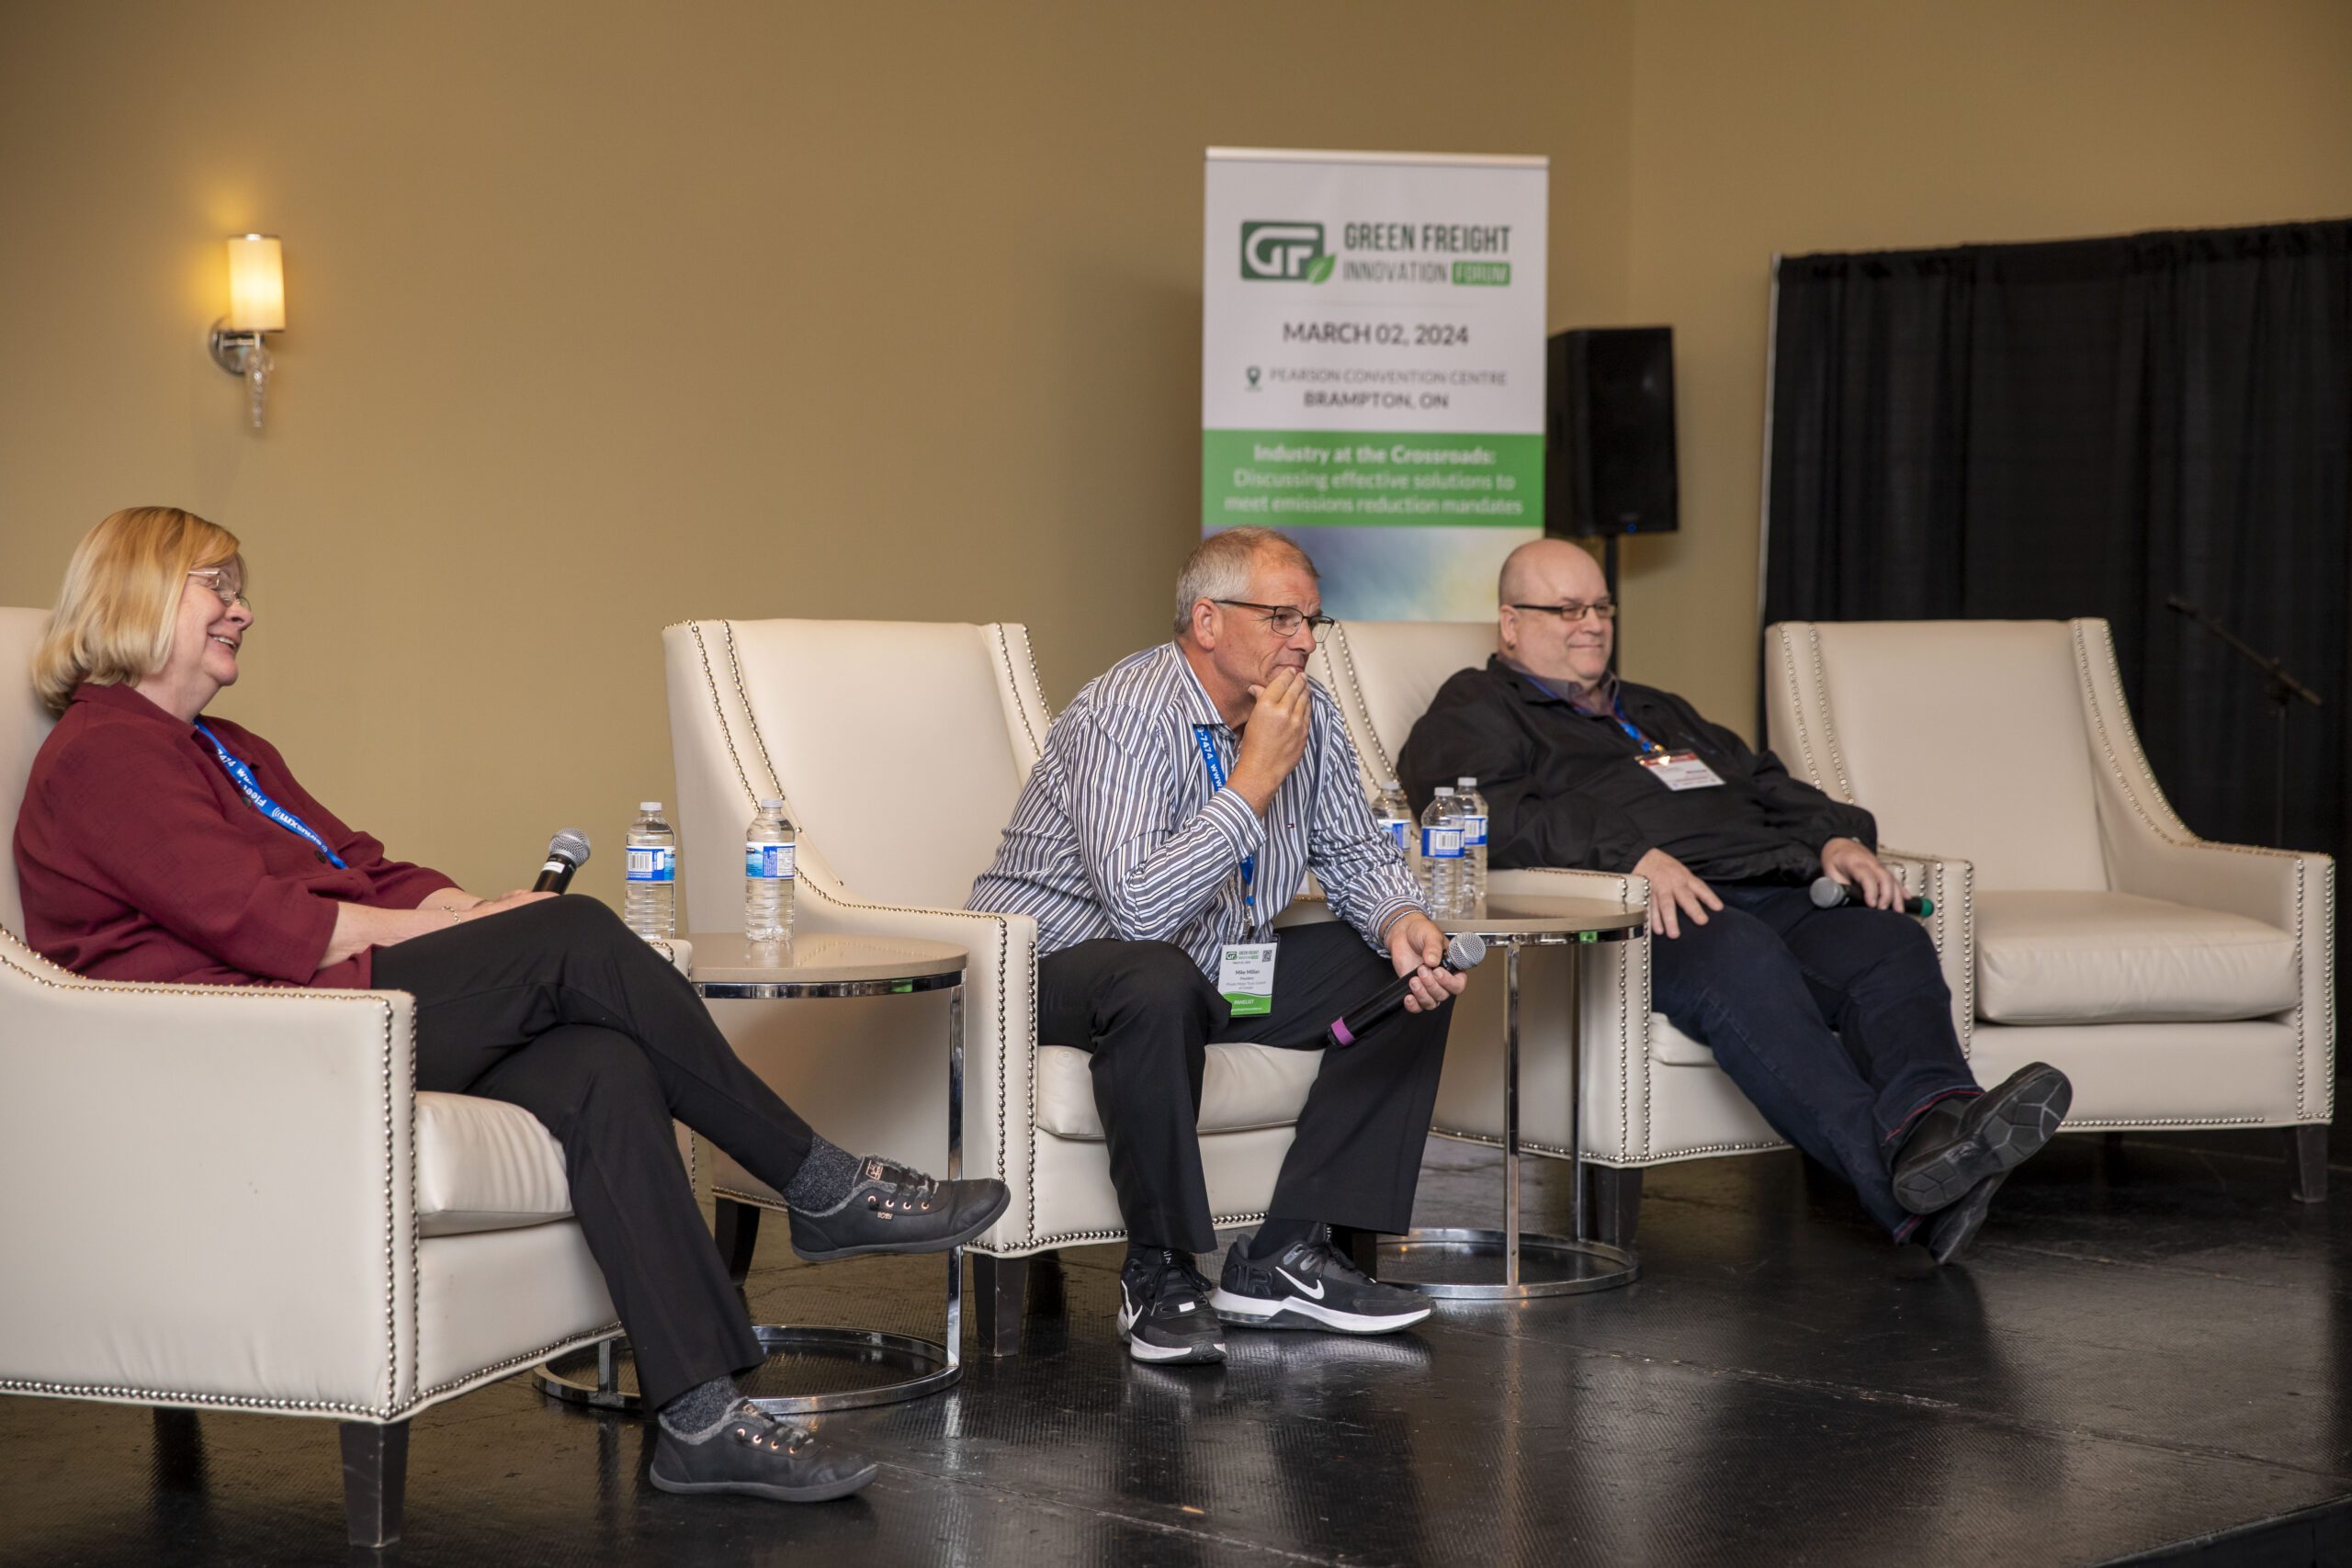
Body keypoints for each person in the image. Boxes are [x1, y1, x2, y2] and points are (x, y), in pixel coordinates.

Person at [14, 507, 1011, 1504]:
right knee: (573, 938)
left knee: (603, 1066)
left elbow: (364, 868)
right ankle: (822, 1183)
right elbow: (267, 922)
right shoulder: (106, 752)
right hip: (251, 1039)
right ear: (141, 592)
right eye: (217, 588)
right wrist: (493, 933)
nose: (243, 611)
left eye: (241, 590)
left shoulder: (224, 747)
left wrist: (475, 909)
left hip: (337, 1013)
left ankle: (700, 1419)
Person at [1396, 537, 2070, 1264]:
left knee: (1887, 939)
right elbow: (1485, 810)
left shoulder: (1655, 709)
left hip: (1771, 883)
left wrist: (1836, 836)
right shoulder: (1477, 706)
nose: (1591, 622)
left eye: (1600, 606)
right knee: (1740, 953)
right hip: (1651, 911)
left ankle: (1942, 1124)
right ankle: (1906, 1187)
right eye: (1567, 609)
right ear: (1511, 623)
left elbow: (1765, 781)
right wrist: (1628, 854)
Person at [967, 526, 1466, 1366]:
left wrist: (1398, 919)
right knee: (1156, 979)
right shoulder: (1125, 713)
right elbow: (1139, 909)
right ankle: (1159, 1271)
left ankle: (1286, 1254)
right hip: (1053, 970)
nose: (1304, 641)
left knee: (1405, 973)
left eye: (1311, 620)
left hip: (1209, 967)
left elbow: (1354, 853)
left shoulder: (1310, 714)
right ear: (1207, 621)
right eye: (1281, 618)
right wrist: (1253, 780)